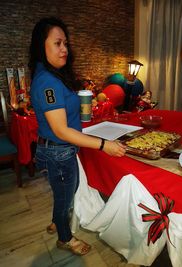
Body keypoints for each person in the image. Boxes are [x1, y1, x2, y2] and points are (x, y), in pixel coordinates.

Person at [29, 17, 126, 256]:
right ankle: (65, 237)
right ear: (41, 46)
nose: (64, 49)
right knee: (65, 196)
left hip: (58, 149)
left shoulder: (52, 75)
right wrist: (105, 145)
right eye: (57, 43)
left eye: (66, 43)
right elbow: (61, 130)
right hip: (58, 151)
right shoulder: (47, 83)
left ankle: (56, 221)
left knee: (63, 192)